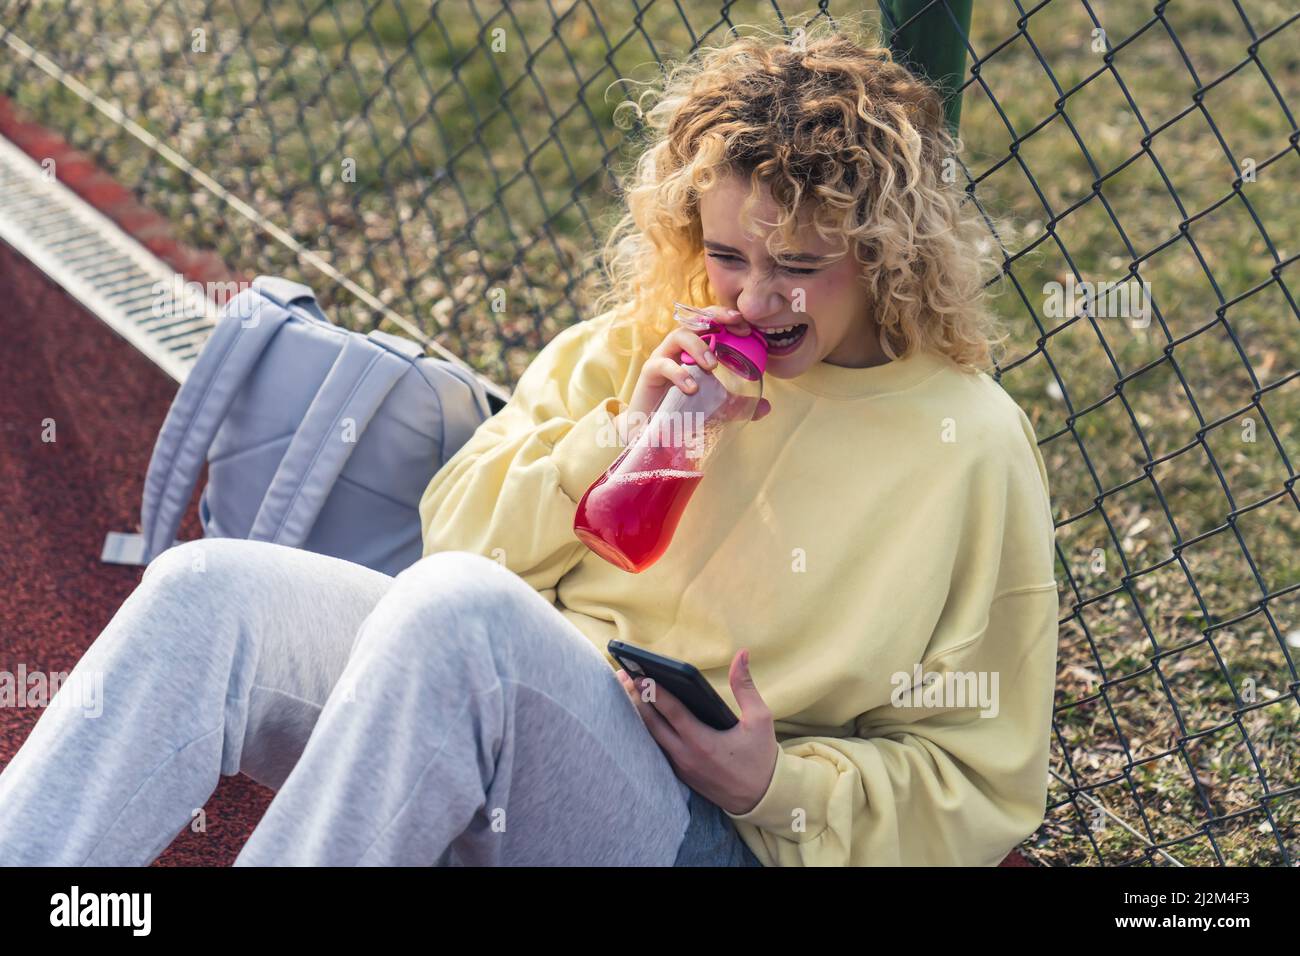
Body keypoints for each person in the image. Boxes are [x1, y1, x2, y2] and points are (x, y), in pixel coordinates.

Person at [0, 21, 1058, 867]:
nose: (752, 294)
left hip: (718, 831)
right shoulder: (646, 346)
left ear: (883, 253)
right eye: (728, 252)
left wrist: (771, 785)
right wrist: (621, 432)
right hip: (505, 726)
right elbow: (453, 540)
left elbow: (981, 785)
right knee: (208, 593)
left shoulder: (969, 444)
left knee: (465, 622)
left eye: (800, 262)